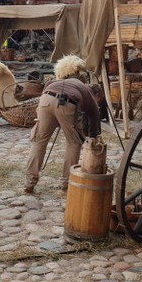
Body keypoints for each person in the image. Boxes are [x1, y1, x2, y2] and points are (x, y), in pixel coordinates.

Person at [25, 55, 102, 194]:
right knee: (73, 142)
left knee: (39, 141)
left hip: (45, 99)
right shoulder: (85, 89)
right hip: (66, 103)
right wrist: (94, 135)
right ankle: (67, 182)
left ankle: (29, 182)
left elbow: (45, 92)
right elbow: (95, 115)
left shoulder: (55, 82)